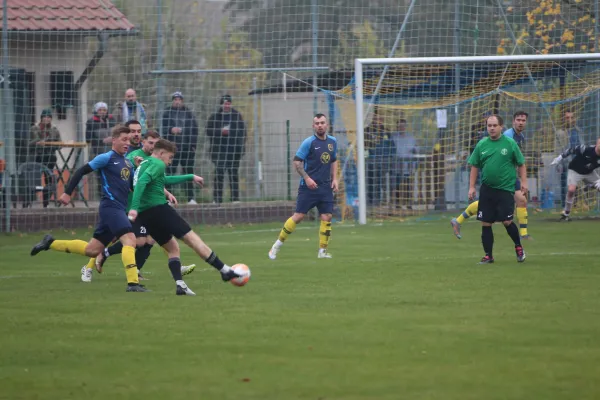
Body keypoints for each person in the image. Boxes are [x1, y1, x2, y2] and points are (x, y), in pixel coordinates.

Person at [30, 126, 148, 292]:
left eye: (129, 140)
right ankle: (133, 284)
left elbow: (131, 187)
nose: (127, 143)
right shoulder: (106, 158)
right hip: (110, 207)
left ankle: (50, 243)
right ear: (114, 140)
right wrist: (67, 193)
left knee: (92, 250)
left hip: (118, 209)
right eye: (124, 139)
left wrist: (139, 172)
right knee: (130, 239)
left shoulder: (128, 162)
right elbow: (81, 171)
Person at [128, 139, 242, 296]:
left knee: (172, 248)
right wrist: (133, 208)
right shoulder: (158, 164)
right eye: (170, 157)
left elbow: (163, 180)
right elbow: (142, 183)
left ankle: (180, 285)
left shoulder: (145, 162)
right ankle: (225, 270)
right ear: (161, 153)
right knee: (193, 239)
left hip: (146, 215)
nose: (170, 161)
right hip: (159, 210)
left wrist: (190, 176)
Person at [80, 130, 196, 282]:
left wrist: (166, 193)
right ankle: (98, 259)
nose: (154, 146)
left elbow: (155, 181)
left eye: (156, 143)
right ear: (143, 142)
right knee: (131, 240)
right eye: (150, 142)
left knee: (149, 239)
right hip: (129, 205)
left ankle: (140, 270)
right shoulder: (132, 157)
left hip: (144, 206)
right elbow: (137, 180)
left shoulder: (154, 160)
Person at [451, 111, 532, 239]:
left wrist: (522, 179)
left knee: (521, 200)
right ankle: (458, 220)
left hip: (509, 176)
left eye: (523, 120)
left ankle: (524, 234)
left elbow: (518, 161)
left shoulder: (520, 137)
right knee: (491, 204)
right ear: (513, 122)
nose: (521, 123)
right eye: (518, 120)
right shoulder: (507, 137)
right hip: (501, 178)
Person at [268, 113, 338, 260]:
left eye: (322, 122)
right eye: (317, 123)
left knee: (327, 216)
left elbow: (333, 160)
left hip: (325, 187)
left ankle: (322, 252)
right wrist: (307, 179)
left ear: (327, 125)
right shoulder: (309, 142)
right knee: (299, 216)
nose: (320, 125)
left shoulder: (333, 141)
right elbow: (296, 162)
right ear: (313, 126)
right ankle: (276, 246)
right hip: (308, 188)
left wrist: (335, 179)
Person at [467, 114, 527, 264]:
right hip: (487, 189)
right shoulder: (482, 144)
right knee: (485, 222)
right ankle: (488, 255)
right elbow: (474, 165)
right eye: (489, 126)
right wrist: (471, 187)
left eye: (494, 125)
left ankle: (518, 247)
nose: (492, 128)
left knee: (507, 221)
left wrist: (524, 182)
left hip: (505, 189)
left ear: (501, 127)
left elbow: (521, 163)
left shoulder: (510, 143)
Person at [206, 95, 246, 204]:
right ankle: (217, 199)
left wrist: (241, 148)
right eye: (224, 103)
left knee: (233, 173)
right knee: (219, 174)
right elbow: (209, 131)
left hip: (233, 151)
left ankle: (235, 198)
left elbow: (243, 132)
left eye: (228, 103)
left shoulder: (237, 116)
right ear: (221, 104)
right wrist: (220, 132)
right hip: (219, 151)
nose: (226, 105)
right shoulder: (215, 117)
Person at [162, 91, 200, 204]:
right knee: (169, 173)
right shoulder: (167, 113)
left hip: (187, 149)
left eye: (179, 99)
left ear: (182, 101)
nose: (177, 101)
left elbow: (195, 130)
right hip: (172, 149)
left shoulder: (189, 114)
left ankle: (191, 198)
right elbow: (163, 130)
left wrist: (193, 146)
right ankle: (168, 198)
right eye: (175, 99)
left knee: (188, 172)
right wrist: (171, 130)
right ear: (173, 101)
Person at [550, 138, 600, 221]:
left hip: (589, 173)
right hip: (575, 171)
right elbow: (570, 150)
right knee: (571, 190)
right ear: (597, 143)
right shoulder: (586, 149)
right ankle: (566, 214)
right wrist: (559, 158)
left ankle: (589, 185)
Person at [28, 108, 61, 208]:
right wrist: (42, 142)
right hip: (38, 156)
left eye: (49, 117)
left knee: (49, 179)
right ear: (41, 118)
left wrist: (51, 143)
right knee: (35, 179)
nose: (47, 119)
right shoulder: (35, 128)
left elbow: (59, 143)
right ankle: (28, 201)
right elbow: (33, 142)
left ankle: (45, 203)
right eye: (45, 117)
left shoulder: (54, 129)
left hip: (50, 156)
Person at [85, 102, 117, 199]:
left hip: (112, 152)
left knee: (112, 174)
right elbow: (88, 139)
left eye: (104, 110)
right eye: (100, 110)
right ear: (96, 110)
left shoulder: (112, 120)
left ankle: (113, 195)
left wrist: (112, 138)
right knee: (100, 175)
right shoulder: (91, 122)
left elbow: (117, 134)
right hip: (97, 152)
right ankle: (101, 196)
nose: (102, 112)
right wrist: (102, 141)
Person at [555, 111, 584, 207]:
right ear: (563, 119)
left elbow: (582, 145)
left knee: (579, 184)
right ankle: (565, 206)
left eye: (571, 117)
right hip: (566, 162)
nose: (570, 119)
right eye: (567, 117)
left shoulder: (578, 131)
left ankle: (578, 204)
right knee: (566, 185)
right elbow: (558, 149)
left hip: (578, 161)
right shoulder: (560, 132)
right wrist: (558, 163)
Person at [390, 119, 417, 209]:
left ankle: (409, 203)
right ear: (397, 127)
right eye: (399, 126)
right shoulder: (393, 137)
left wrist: (414, 163)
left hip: (408, 166)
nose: (401, 128)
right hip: (397, 166)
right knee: (397, 185)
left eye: (403, 126)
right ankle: (398, 203)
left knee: (408, 185)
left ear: (405, 127)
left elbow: (415, 150)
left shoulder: (411, 138)